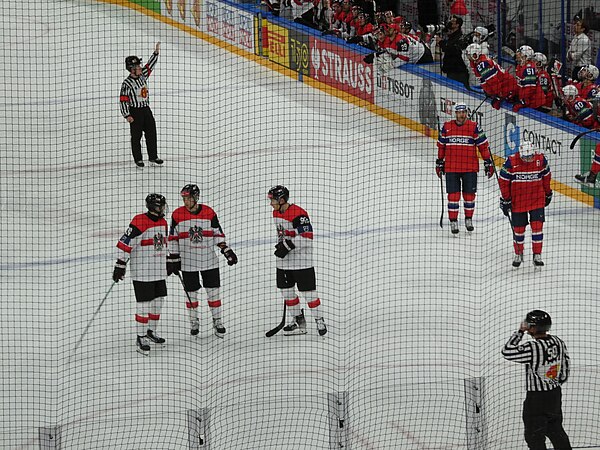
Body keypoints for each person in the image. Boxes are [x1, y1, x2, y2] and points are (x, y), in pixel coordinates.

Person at [167, 184, 238, 338]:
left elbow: (218, 234)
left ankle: (217, 321)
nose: (186, 201)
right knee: (191, 295)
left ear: (196, 198)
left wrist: (226, 250)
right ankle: (194, 322)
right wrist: (173, 257)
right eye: (184, 198)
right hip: (188, 262)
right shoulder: (177, 214)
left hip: (209, 261)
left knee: (214, 293)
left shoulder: (209, 212)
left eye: (189, 198)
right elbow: (172, 238)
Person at [501, 310, 572, 450]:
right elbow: (566, 364)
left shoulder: (532, 348)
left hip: (536, 400)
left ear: (533, 327)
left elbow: (507, 351)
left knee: (534, 437)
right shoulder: (558, 341)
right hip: (554, 395)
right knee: (556, 431)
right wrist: (556, 382)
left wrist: (520, 332)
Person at [113, 194, 169, 355]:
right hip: (143, 272)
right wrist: (120, 264)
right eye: (161, 206)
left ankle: (151, 331)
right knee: (143, 305)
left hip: (159, 270)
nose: (164, 208)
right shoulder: (139, 221)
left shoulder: (163, 222)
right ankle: (141, 336)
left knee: (158, 302)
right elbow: (125, 242)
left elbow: (163, 245)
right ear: (153, 207)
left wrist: (171, 259)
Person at [268, 185, 327, 336]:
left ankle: (319, 319)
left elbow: (307, 238)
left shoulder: (299, 214)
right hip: (284, 262)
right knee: (287, 293)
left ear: (281, 199)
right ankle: (299, 321)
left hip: (302, 262)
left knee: (309, 294)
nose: (270, 203)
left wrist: (286, 246)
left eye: (273, 200)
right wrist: (283, 246)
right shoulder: (275, 212)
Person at [436, 103, 494, 234]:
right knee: (453, 196)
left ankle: (469, 219)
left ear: (467, 113)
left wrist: (488, 162)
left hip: (470, 168)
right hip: (452, 167)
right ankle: (453, 221)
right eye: (459, 112)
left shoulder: (474, 127)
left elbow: (483, 146)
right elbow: (441, 147)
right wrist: (439, 162)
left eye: (464, 112)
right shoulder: (447, 127)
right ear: (455, 113)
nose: (462, 115)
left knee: (469, 196)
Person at [498, 141, 552, 268]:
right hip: (518, 201)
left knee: (537, 227)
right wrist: (506, 199)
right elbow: (503, 181)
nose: (528, 159)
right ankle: (518, 253)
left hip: (537, 200)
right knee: (519, 230)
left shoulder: (541, 160)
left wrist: (548, 193)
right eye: (525, 157)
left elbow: (547, 177)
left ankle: (537, 255)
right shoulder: (510, 162)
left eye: (530, 156)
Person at [119, 42, 164, 168]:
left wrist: (156, 52)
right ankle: (138, 159)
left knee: (151, 133)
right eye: (137, 66)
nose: (140, 67)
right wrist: (127, 115)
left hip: (146, 110)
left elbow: (150, 65)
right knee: (136, 136)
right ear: (131, 69)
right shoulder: (126, 84)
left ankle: (153, 156)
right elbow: (123, 100)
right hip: (135, 112)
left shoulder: (143, 75)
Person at [465, 43, 518, 109]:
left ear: (476, 54)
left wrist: (498, 96)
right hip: (505, 87)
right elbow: (486, 81)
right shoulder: (479, 63)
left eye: (470, 55)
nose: (469, 58)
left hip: (508, 88)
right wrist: (489, 91)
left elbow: (494, 81)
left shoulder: (483, 64)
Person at [437, 15, 470, 88]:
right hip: (451, 70)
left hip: (458, 72)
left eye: (453, 22)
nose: (450, 23)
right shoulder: (451, 35)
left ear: (457, 25)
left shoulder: (460, 37)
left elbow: (451, 50)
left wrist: (441, 43)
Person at [513, 45, 545, 112]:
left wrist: (524, 101)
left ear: (525, 56)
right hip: (528, 100)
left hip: (534, 102)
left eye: (520, 53)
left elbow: (530, 88)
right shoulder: (520, 66)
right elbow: (520, 84)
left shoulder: (529, 68)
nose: (517, 54)